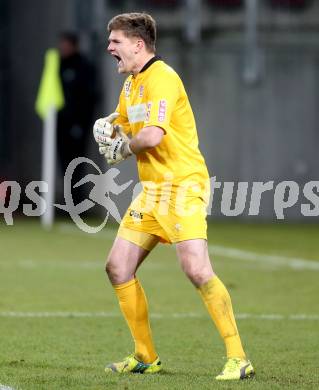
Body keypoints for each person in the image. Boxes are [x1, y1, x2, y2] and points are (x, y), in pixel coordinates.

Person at [93, 12, 255, 380]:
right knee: (118, 267)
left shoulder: (163, 78)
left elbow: (151, 136)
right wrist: (107, 124)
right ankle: (146, 356)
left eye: (115, 41)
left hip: (182, 186)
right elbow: (122, 116)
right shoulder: (133, 83)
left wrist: (122, 149)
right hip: (152, 192)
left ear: (138, 45)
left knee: (196, 269)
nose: (109, 48)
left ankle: (239, 357)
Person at [57, 32, 98, 202]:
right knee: (63, 162)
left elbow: (89, 98)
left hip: (79, 125)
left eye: (66, 45)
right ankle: (68, 201)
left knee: (77, 163)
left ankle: (78, 202)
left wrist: (80, 124)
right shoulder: (58, 66)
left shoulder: (84, 67)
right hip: (61, 124)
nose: (62, 48)